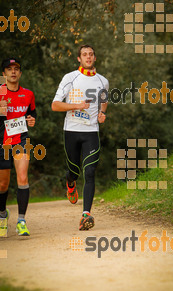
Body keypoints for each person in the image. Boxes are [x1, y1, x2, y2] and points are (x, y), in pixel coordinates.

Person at [52, 45, 109, 230]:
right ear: (79, 59)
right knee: (74, 171)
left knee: (90, 171)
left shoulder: (103, 81)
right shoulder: (70, 78)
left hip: (91, 132)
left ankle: (86, 214)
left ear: (95, 57)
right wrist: (76, 106)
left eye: (91, 54)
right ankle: (70, 182)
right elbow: (55, 106)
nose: (88, 57)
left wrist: (101, 114)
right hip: (72, 130)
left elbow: (104, 100)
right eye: (84, 54)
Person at [0, 58, 36, 236]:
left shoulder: (28, 94)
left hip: (21, 141)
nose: (13, 72)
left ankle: (21, 220)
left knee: (22, 177)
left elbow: (32, 113)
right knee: (2, 184)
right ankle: (2, 215)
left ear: (20, 73)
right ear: (4, 74)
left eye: (16, 69)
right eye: (9, 69)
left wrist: (32, 120)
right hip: (2, 142)